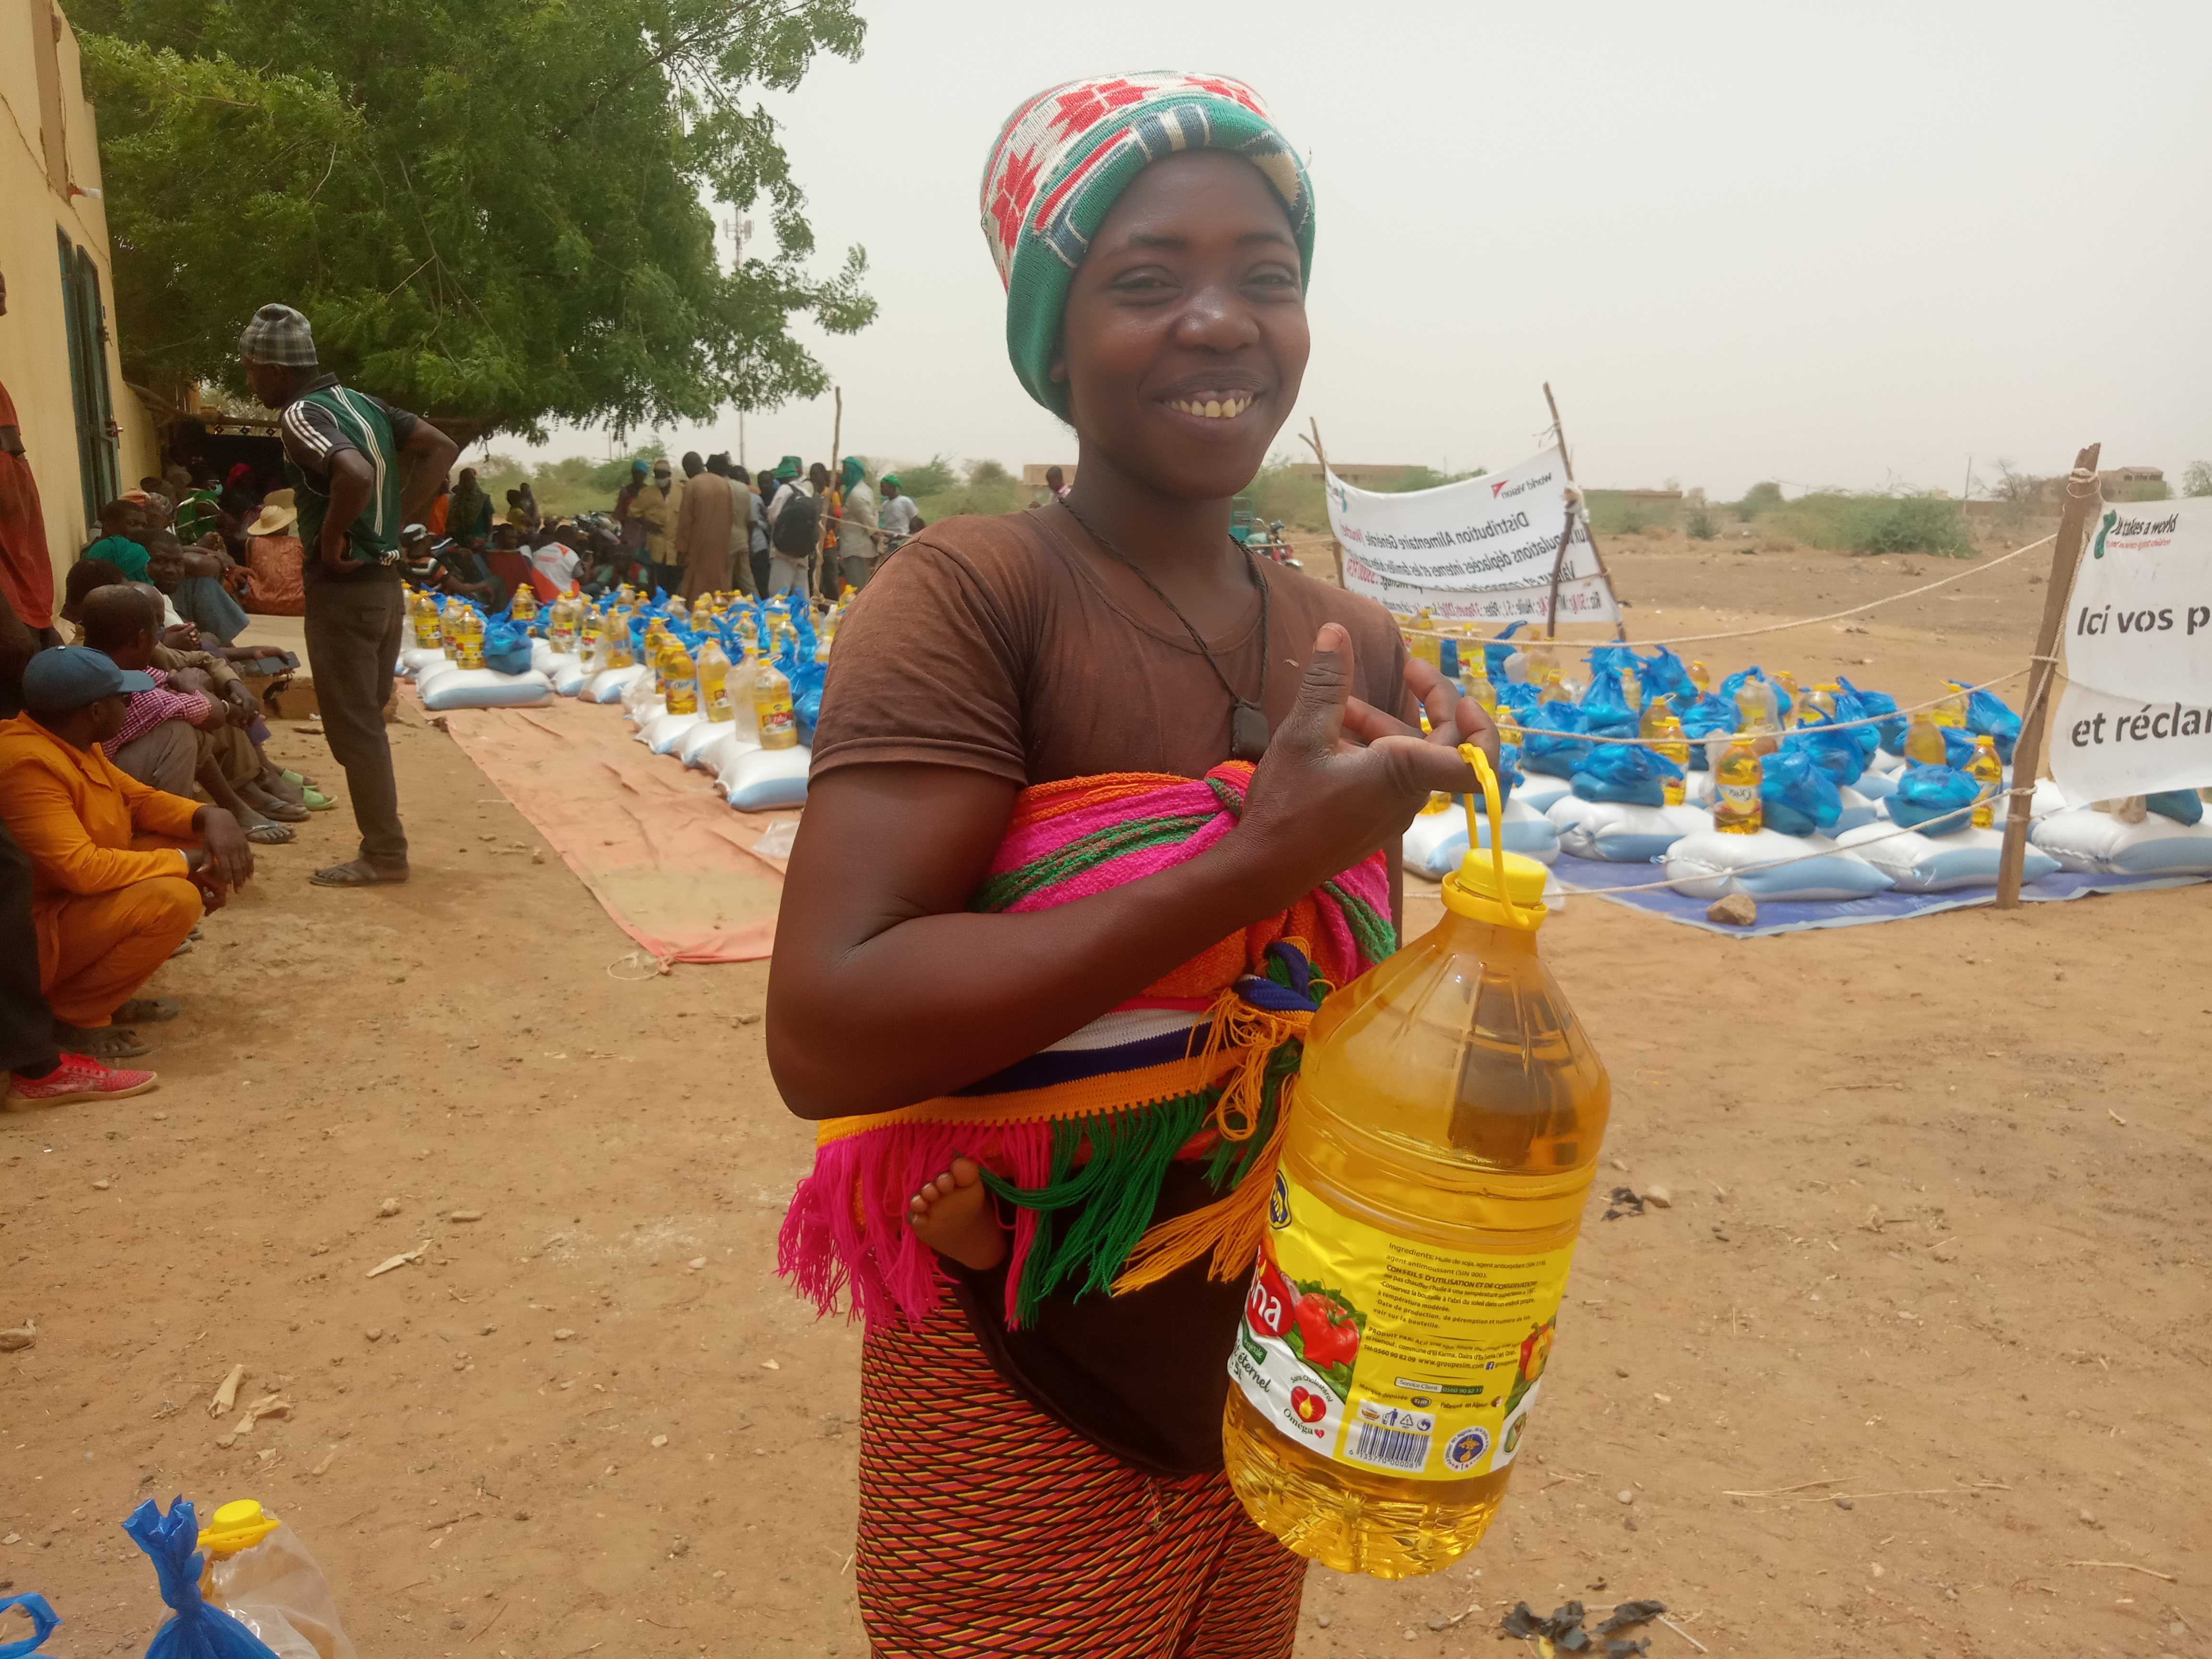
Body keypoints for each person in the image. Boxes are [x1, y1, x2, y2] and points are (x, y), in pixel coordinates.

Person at [766, 74, 1496, 1657]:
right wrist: (1242, 866)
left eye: (1267, 276)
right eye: (1146, 280)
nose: (1221, 321)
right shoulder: (971, 596)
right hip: (1006, 1325)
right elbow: (824, 1027)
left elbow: (1320, 986)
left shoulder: (1343, 629)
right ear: (1053, 334)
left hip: (1269, 1330)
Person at [240, 301, 457, 888]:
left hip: (344, 590)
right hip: (385, 588)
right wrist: (393, 525)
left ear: (276, 370)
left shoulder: (300, 413)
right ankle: (384, 845)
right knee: (364, 721)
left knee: (354, 727)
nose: (250, 380)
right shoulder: (366, 405)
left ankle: (385, 853)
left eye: (252, 369)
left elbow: (355, 474)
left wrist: (333, 538)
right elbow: (441, 447)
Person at [0, 645, 254, 1058]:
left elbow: (139, 800)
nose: (131, 704)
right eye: (124, 699)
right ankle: (76, 1015)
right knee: (173, 898)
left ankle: (99, 992)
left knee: (194, 840)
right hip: (32, 937)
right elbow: (81, 869)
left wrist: (210, 815)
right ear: (96, 712)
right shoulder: (27, 764)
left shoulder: (76, 741)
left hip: (68, 907)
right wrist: (187, 864)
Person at [78, 585, 296, 847]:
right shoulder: (125, 687)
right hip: (96, 790)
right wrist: (200, 690)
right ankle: (170, 833)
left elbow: (189, 668)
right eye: (157, 629)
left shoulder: (93, 660)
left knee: (194, 711)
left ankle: (239, 799)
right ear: (142, 639)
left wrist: (228, 691)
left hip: (93, 775)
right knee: (180, 729)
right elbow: (210, 714)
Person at [673, 450, 734, 600]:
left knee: (697, 590)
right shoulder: (724, 484)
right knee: (719, 586)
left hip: (698, 547)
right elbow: (731, 516)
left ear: (687, 470)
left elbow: (686, 522)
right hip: (722, 546)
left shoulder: (692, 485)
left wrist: (681, 550)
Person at [242, 489, 306, 616]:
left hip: (259, 603)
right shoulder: (299, 543)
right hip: (298, 603)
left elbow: (252, 568)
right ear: (286, 526)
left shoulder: (252, 543)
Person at [766, 460, 820, 598]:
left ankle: (778, 619)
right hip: (803, 551)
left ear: (781, 477)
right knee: (801, 593)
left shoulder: (784, 490)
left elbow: (773, 517)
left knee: (778, 595)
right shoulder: (806, 492)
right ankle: (805, 617)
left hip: (783, 551)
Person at [707, 454, 757, 597]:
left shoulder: (715, 488)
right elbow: (752, 521)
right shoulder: (742, 488)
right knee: (748, 582)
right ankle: (757, 609)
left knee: (725, 584)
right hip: (742, 540)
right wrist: (749, 542)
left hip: (724, 543)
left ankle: (725, 615)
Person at [835, 457, 879, 594]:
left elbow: (868, 519)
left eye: (845, 470)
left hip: (856, 547)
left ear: (852, 472)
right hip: (858, 546)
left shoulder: (855, 494)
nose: (843, 474)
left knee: (857, 588)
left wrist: (877, 538)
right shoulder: (865, 490)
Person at [83, 498, 152, 581]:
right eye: (133, 523)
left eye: (144, 525)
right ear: (109, 525)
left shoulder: (135, 553)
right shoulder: (98, 555)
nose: (140, 529)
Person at [639, 457, 682, 593]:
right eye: (657, 475)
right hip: (657, 544)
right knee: (660, 581)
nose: (660, 479)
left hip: (675, 545)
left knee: (675, 580)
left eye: (663, 476)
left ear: (669, 476)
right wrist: (647, 524)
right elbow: (633, 513)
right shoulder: (647, 493)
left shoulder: (681, 492)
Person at [876, 473, 924, 555]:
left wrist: (910, 536)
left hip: (903, 541)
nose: (881, 490)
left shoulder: (905, 501)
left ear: (892, 488)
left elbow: (916, 520)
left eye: (883, 487)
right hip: (890, 542)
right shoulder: (886, 504)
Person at [446, 468, 493, 546]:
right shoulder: (456, 500)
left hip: (479, 539)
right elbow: (452, 520)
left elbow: (489, 520)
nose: (468, 482)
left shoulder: (484, 499)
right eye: (465, 479)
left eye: (471, 479)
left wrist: (488, 539)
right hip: (460, 539)